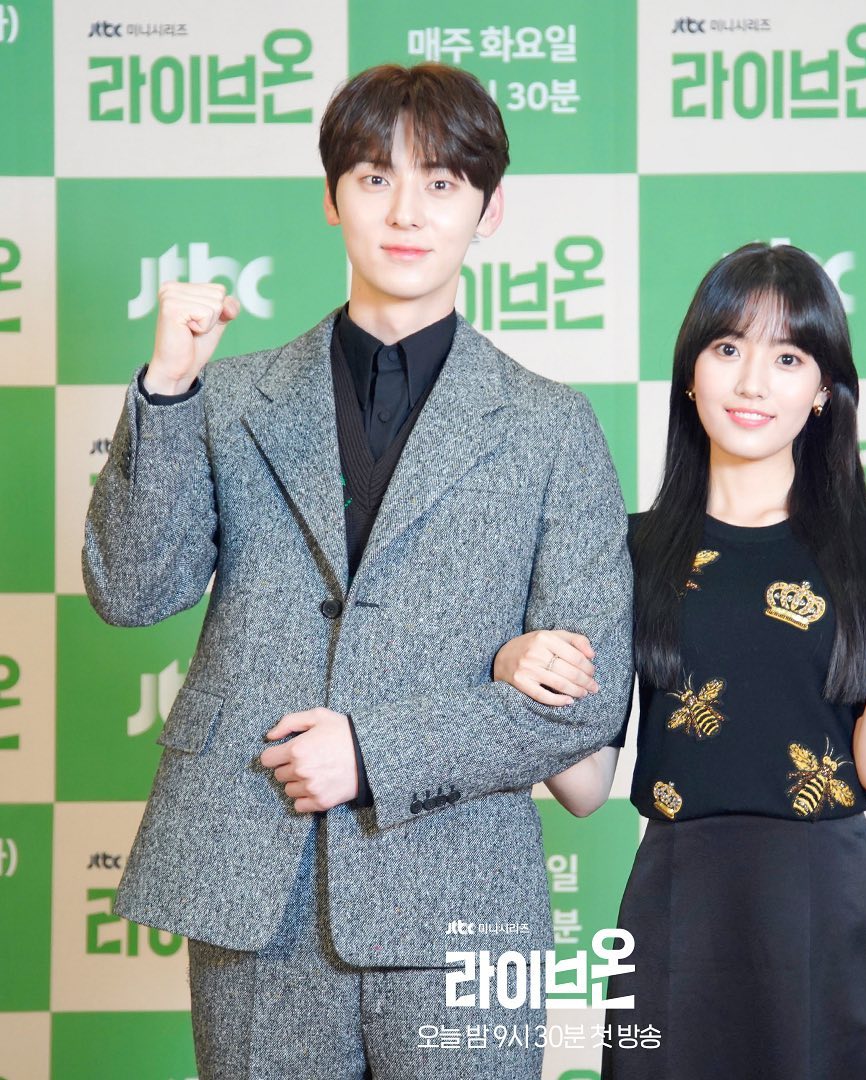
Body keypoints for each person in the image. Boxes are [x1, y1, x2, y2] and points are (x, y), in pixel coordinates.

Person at [83, 63, 633, 1080]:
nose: (407, 212)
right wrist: (167, 388)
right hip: (257, 882)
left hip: (463, 895)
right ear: (332, 199)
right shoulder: (227, 395)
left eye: (442, 183)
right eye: (377, 178)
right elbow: (132, 590)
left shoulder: (553, 426)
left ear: (490, 209)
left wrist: (376, 753)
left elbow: (585, 707)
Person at [494, 242, 866, 1079]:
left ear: (824, 390)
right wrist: (515, 670)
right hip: (678, 909)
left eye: (788, 358)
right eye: (728, 348)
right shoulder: (625, 551)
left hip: (832, 914)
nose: (752, 383)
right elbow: (586, 790)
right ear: (690, 375)